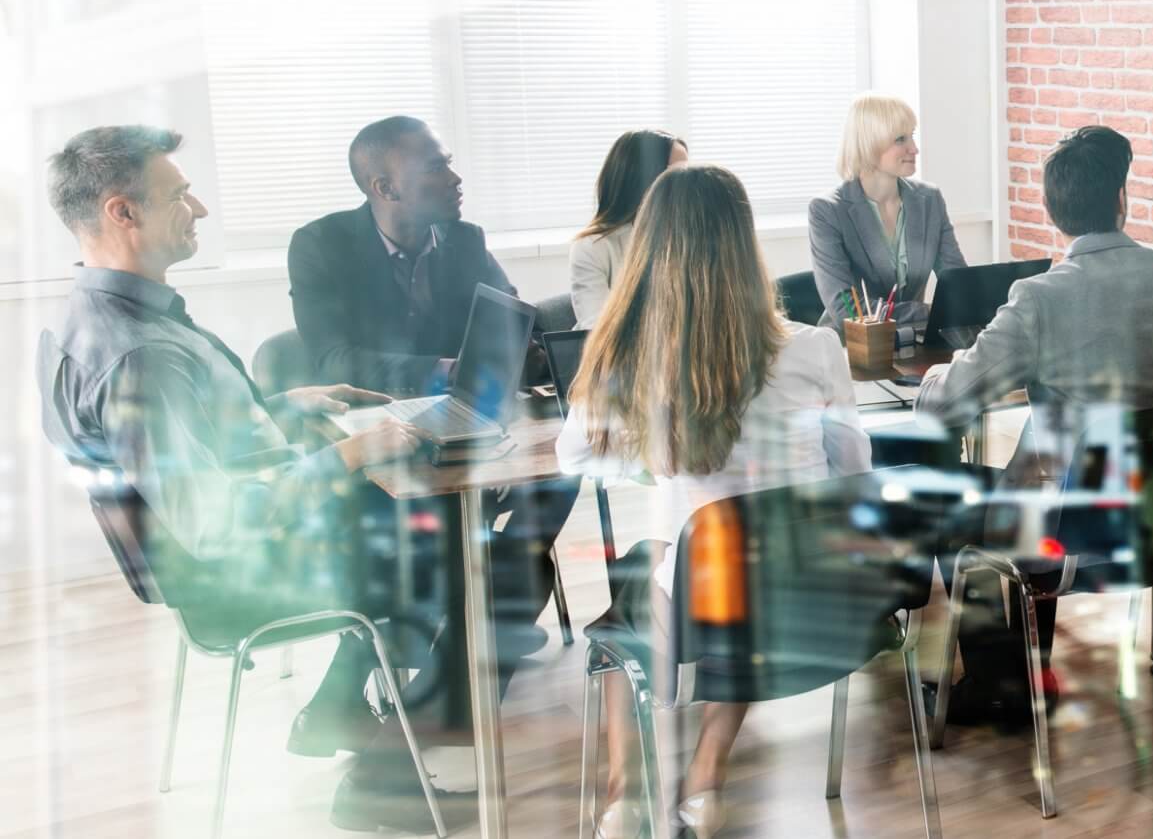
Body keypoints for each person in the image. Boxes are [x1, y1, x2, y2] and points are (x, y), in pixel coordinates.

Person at [36, 125, 480, 832]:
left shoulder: (88, 322)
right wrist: (350, 454)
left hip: (205, 561)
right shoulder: (140, 356)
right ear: (123, 212)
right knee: (453, 547)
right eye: (178, 195)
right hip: (233, 578)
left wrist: (280, 406)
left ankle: (350, 701)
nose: (199, 210)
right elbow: (213, 520)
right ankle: (383, 779)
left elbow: (175, 457)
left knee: (428, 530)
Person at [557, 164, 872, 839]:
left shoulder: (627, 360)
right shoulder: (816, 347)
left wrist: (650, 459)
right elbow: (854, 472)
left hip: (705, 607)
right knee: (742, 581)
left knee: (645, 593)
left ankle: (623, 798)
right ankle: (705, 779)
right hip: (820, 605)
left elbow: (573, 455)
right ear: (745, 241)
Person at [915, 126, 1153, 724]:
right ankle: (1026, 667)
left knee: (947, 495)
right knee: (1041, 476)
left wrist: (932, 378)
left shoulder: (1041, 298)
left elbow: (948, 406)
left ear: (1052, 212)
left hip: (1076, 531)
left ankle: (1002, 684)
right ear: (1122, 198)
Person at [288, 115, 579, 653]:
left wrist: (530, 352)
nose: (455, 177)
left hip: (464, 422)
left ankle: (488, 619)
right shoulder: (321, 246)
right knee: (439, 505)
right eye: (436, 166)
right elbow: (334, 359)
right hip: (375, 435)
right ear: (385, 187)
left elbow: (513, 318)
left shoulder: (464, 240)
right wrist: (442, 369)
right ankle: (474, 630)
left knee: (565, 472)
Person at [808, 92, 966, 334]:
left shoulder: (929, 200)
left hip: (913, 341)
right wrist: (928, 312)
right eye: (900, 139)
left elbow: (957, 282)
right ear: (869, 143)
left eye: (912, 135)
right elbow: (846, 309)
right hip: (852, 348)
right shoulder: (828, 211)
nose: (914, 148)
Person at [570, 129, 688, 329]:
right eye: (677, 173)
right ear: (643, 178)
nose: (688, 184)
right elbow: (598, 331)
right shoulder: (592, 247)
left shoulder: (688, 235)